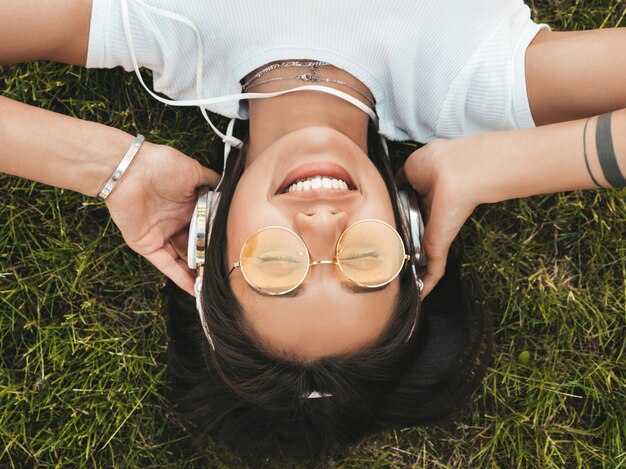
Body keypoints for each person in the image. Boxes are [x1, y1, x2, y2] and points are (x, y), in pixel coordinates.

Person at [1, 0, 624, 458]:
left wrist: (114, 169)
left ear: (207, 239)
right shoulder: (477, 81)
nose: (324, 226)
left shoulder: (151, 26)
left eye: (276, 262)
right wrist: (495, 165)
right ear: (410, 234)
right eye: (368, 260)